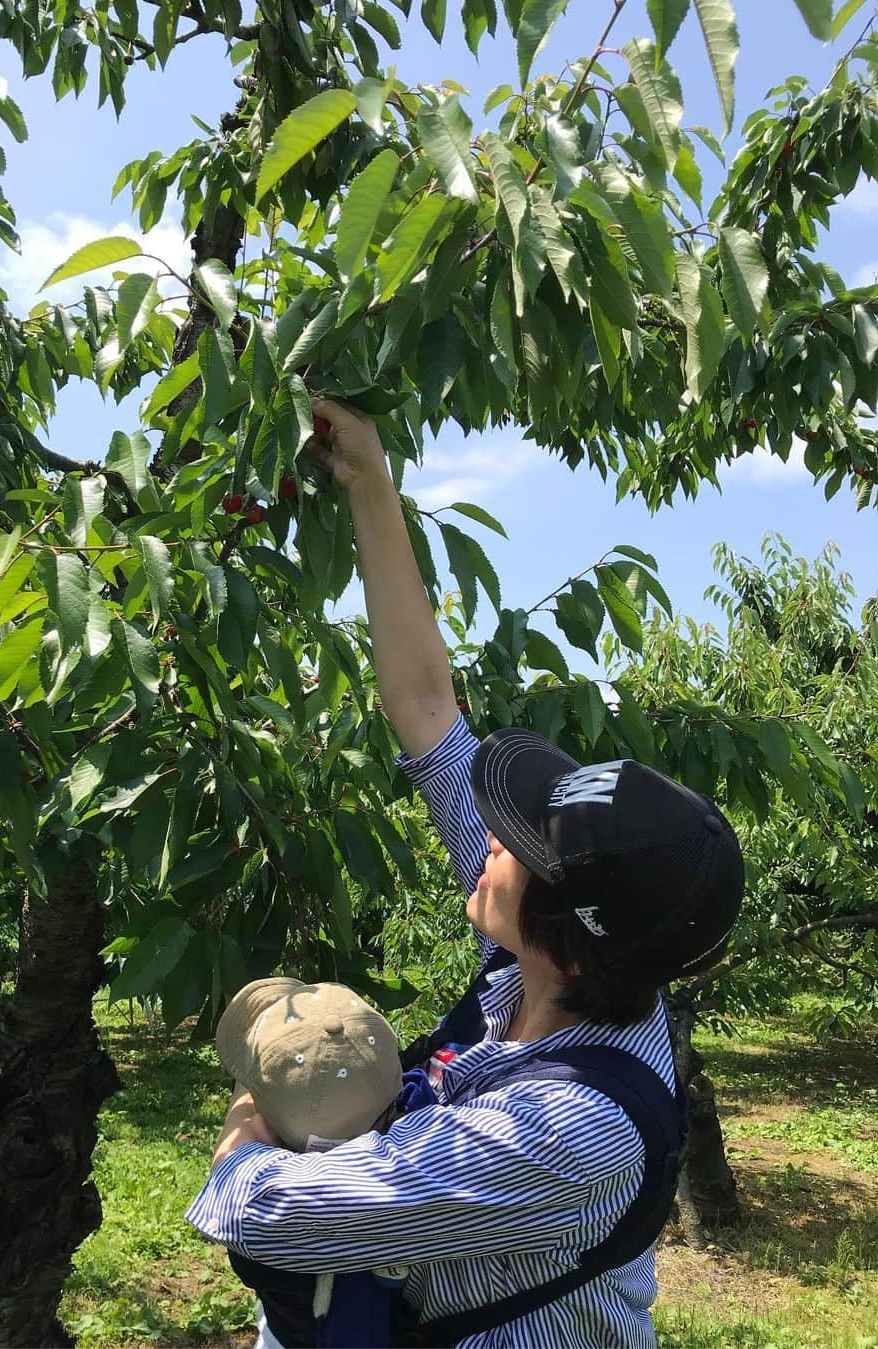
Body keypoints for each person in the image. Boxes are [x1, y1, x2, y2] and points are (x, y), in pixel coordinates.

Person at [187, 397, 745, 1347]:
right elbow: (423, 704)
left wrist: (254, 1111)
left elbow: (261, 1208)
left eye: (515, 844)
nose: (488, 837)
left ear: (568, 930)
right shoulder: (538, 970)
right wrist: (371, 480)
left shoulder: (570, 1129)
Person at [213, 977, 435, 1348]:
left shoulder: (259, 1224)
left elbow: (237, 1154)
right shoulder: (421, 1158)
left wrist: (257, 1098)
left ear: (265, 1124)